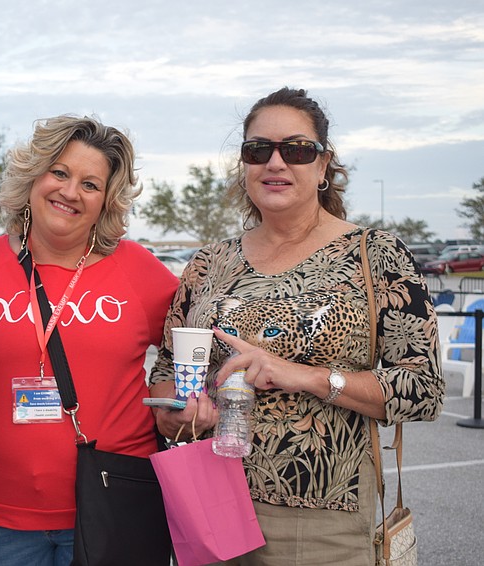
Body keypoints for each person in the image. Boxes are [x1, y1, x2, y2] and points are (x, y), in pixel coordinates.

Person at [149, 87, 444, 565]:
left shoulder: (375, 256)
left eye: (297, 149)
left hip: (323, 516)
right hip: (207, 499)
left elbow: (423, 389)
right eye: (258, 149)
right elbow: (165, 369)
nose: (276, 162)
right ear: (244, 164)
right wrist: (176, 412)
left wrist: (300, 374)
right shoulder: (208, 263)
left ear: (324, 166)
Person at [0, 115, 179, 565]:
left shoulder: (138, 271)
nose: (69, 191)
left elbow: (201, 347)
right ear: (33, 176)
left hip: (116, 506)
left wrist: (174, 394)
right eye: (59, 173)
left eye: (90, 184)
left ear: (107, 201)